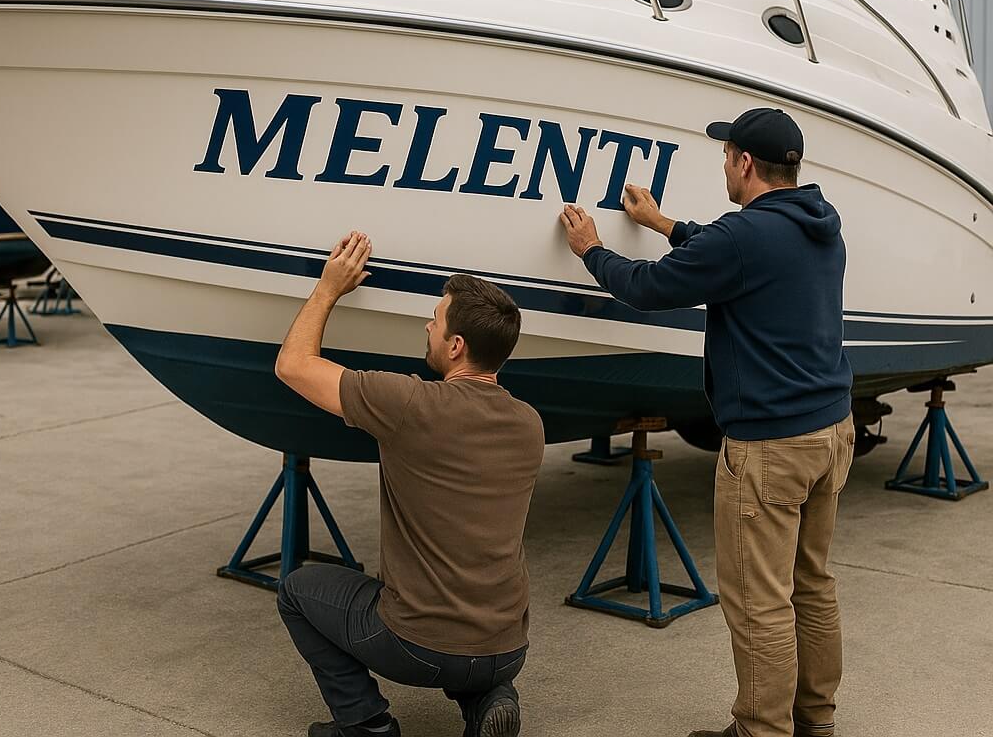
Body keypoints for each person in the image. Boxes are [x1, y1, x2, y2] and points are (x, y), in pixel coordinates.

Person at [558, 108, 855, 737]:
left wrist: (592, 250)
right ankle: (814, 723)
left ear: (745, 163)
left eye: (725, 154)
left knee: (758, 601)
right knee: (812, 585)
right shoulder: (820, 223)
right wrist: (662, 222)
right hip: (832, 431)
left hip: (772, 446)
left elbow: (646, 288)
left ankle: (762, 731)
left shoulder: (744, 236)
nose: (723, 163)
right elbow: (726, 255)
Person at [274, 230, 544, 737]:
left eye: (435, 321)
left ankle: (366, 725)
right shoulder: (530, 422)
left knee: (297, 590)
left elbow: (293, 365)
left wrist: (329, 287)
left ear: (456, 346)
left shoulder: (409, 405)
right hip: (507, 649)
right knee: (471, 635)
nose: (427, 325)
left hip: (418, 648)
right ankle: (491, 697)